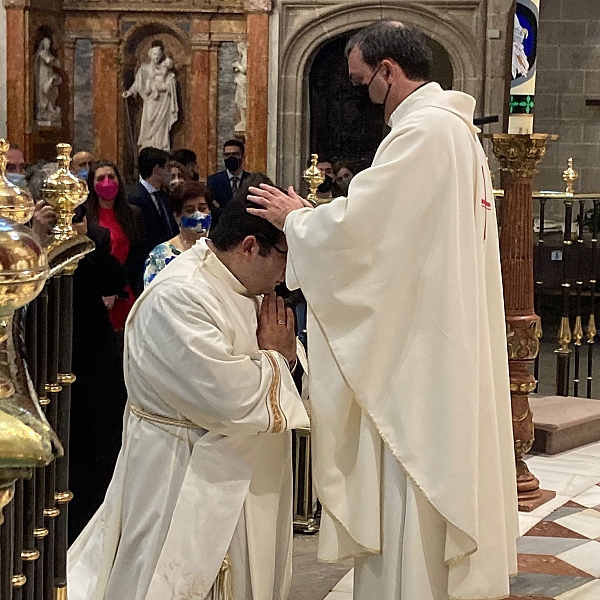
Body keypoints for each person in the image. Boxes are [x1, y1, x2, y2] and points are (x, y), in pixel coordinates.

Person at [248, 20, 518, 600]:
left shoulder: (423, 134)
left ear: (388, 72)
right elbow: (391, 233)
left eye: (360, 80)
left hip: (417, 355)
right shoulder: (455, 133)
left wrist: (294, 219)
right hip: (436, 332)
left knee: (413, 471)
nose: (361, 93)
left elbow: (364, 235)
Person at [67, 197, 310, 600]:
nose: (290, 272)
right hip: (182, 472)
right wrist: (278, 358)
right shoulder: (180, 296)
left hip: (240, 471)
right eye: (287, 255)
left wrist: (281, 357)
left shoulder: (243, 285)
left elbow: (279, 356)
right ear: (249, 247)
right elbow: (227, 396)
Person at [68, 205, 128, 542]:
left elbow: (113, 280)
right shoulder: (27, 242)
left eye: (77, 215)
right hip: (50, 352)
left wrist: (82, 243)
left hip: (94, 361)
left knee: (101, 453)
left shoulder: (95, 240)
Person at [86, 161, 146, 331]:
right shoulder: (87, 216)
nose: (107, 182)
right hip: (97, 293)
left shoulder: (133, 214)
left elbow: (138, 254)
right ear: (92, 184)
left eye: (111, 177)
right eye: (100, 178)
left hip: (126, 290)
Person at [144, 181, 213, 287]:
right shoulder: (159, 257)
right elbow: (152, 299)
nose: (198, 215)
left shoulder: (220, 251)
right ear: (177, 216)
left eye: (202, 209)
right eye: (190, 210)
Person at [129, 146, 178, 257]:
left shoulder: (163, 196)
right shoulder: (135, 198)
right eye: (167, 168)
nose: (170, 173)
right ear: (157, 169)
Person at [207, 139, 250, 210]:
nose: (231, 158)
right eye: (227, 155)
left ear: (243, 156)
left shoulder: (251, 180)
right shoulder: (213, 181)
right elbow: (213, 209)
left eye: (235, 154)